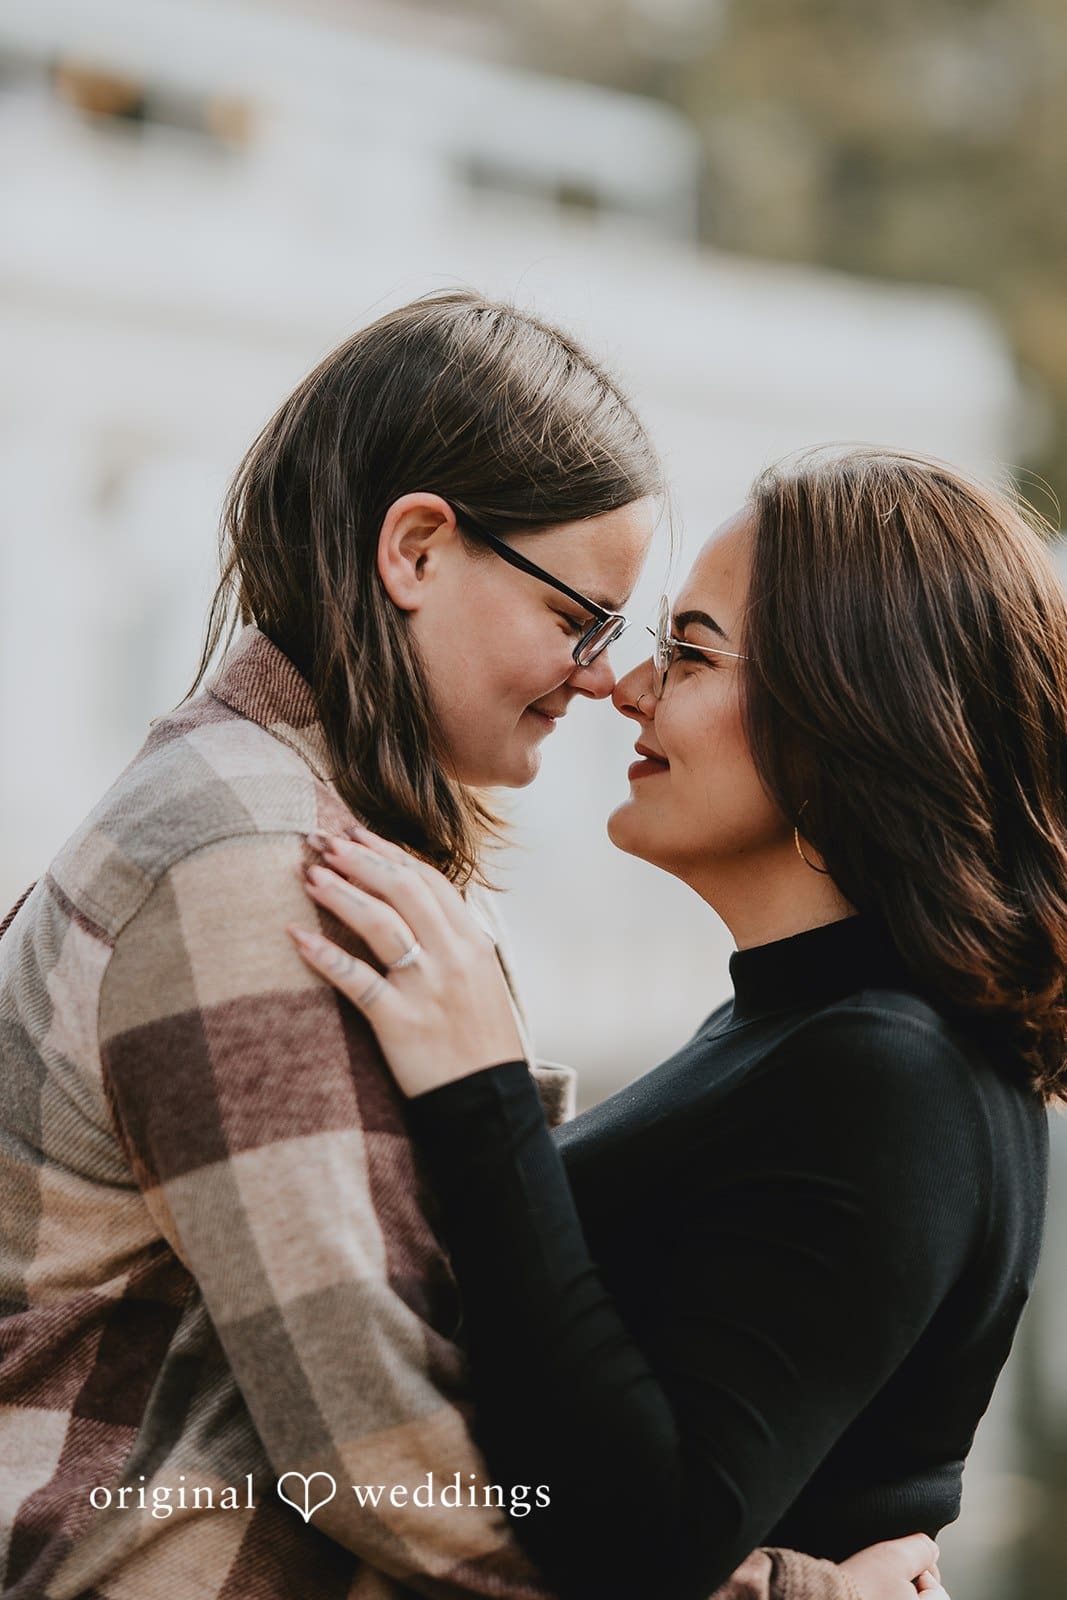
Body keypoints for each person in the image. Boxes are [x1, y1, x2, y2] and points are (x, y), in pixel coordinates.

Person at [0, 297, 930, 1600]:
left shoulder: (288, 830)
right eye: (581, 617)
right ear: (419, 550)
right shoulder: (249, 871)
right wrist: (787, 1591)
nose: (605, 677)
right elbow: (376, 1455)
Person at [289, 447, 1063, 1599]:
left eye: (690, 648)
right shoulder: (810, 1032)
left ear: (846, 722)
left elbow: (640, 1539)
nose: (626, 685)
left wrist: (481, 1088)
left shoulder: (887, 1073)